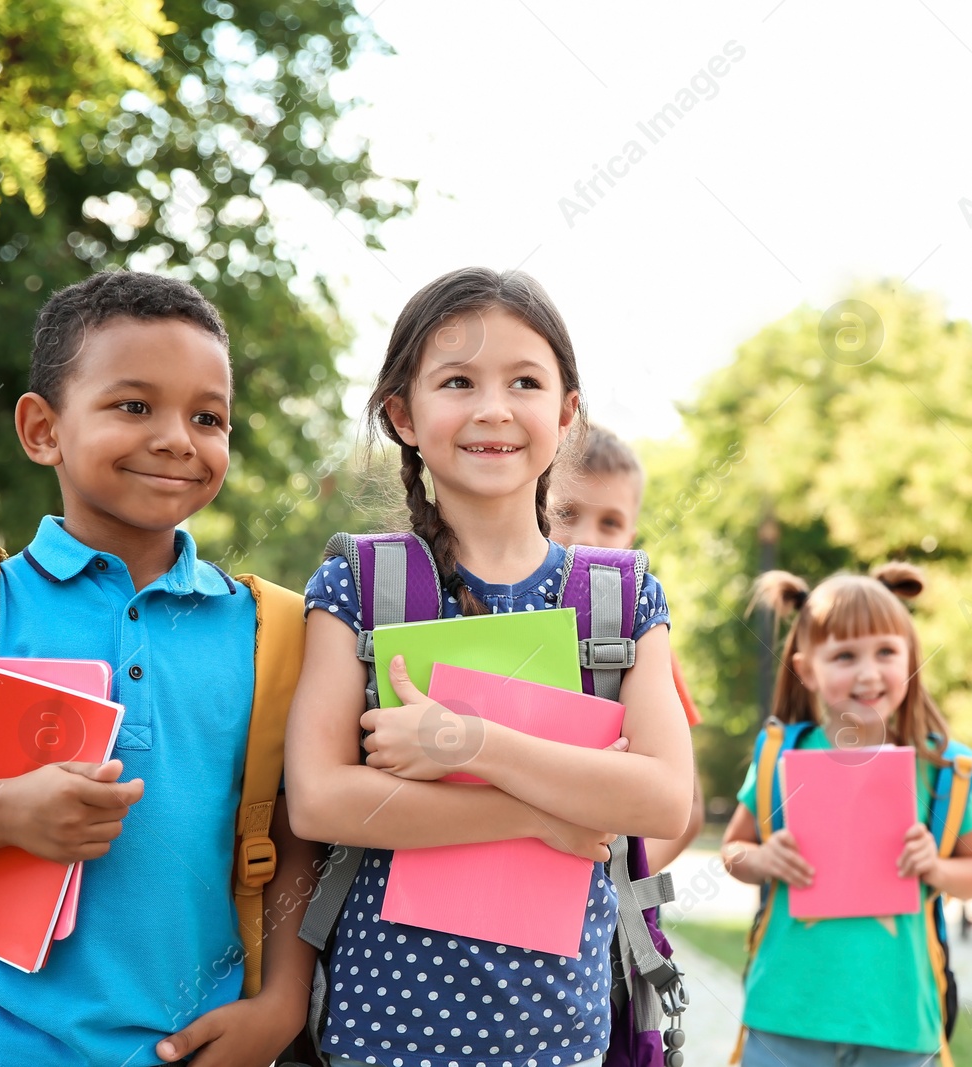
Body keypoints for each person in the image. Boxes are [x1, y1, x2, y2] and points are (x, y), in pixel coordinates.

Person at [0, 270, 319, 1067]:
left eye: (208, 416)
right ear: (42, 430)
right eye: (134, 406)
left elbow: (294, 838)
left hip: (187, 1049)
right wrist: (1, 812)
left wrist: (279, 1005)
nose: (178, 437)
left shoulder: (273, 631)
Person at [284, 266, 693, 1067]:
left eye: (525, 381)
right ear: (403, 413)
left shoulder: (621, 596)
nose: (493, 408)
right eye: (458, 381)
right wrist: (545, 812)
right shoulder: (358, 585)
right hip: (378, 1034)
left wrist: (472, 746)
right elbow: (321, 799)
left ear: (566, 413)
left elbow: (665, 796)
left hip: (561, 1038)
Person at [720, 566, 972, 1067]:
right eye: (845, 656)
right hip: (786, 1016)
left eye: (886, 652)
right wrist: (762, 860)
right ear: (807, 670)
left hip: (898, 1023)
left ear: (910, 656)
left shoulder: (942, 769)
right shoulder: (780, 756)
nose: (869, 674)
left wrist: (936, 867)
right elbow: (734, 851)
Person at [549, 424, 705, 873]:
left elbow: (687, 806)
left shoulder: (642, 638)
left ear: (631, 539)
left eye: (610, 523)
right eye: (566, 513)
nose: (587, 538)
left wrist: (620, 885)